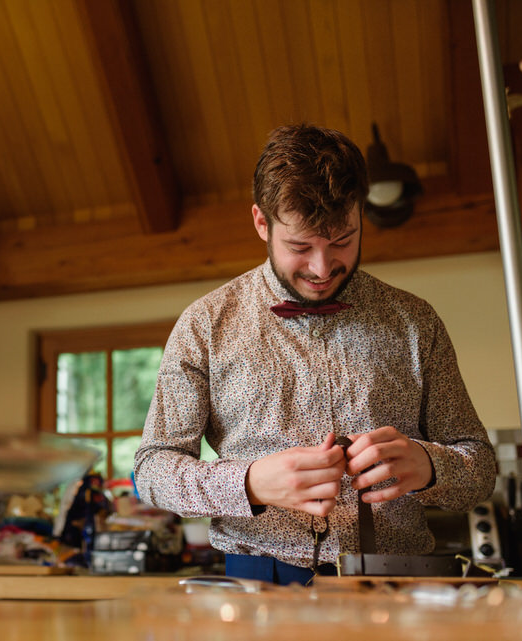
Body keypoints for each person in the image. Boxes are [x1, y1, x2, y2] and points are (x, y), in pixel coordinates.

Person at [133, 124, 496, 586]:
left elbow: (480, 470)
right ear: (262, 223)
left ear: (361, 214)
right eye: (300, 247)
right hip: (256, 589)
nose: (322, 269)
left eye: (342, 241)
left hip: (398, 586)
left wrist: (429, 466)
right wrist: (248, 483)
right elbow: (152, 469)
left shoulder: (416, 322)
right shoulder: (204, 325)